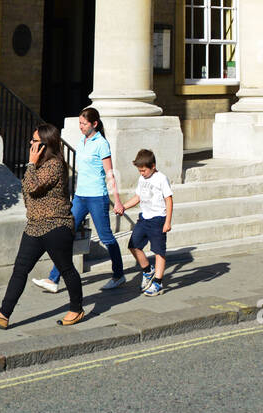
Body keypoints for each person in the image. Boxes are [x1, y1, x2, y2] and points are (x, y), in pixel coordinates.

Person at [0, 124, 84, 329]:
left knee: (66, 268)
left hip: (56, 224)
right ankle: (3, 313)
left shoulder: (55, 165)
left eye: (35, 141)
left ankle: (76, 309)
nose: (31, 143)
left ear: (45, 144)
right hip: (35, 226)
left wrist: (30, 164)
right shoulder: (38, 167)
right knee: (20, 269)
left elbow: (33, 187)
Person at [33, 106, 126, 294]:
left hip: (97, 197)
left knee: (106, 237)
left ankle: (118, 275)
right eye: (80, 123)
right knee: (65, 235)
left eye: (84, 123)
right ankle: (53, 279)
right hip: (80, 197)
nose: (81, 127)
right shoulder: (82, 141)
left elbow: (110, 173)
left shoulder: (102, 143)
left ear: (94, 124)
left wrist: (116, 200)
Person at [118, 149, 173, 296]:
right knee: (133, 245)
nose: (141, 173)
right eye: (139, 170)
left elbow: (169, 200)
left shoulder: (161, 178)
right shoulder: (142, 179)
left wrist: (167, 221)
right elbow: (138, 197)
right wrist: (124, 207)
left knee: (158, 251)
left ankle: (158, 283)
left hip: (158, 219)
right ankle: (148, 271)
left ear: (153, 166)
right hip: (144, 219)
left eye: (143, 170)